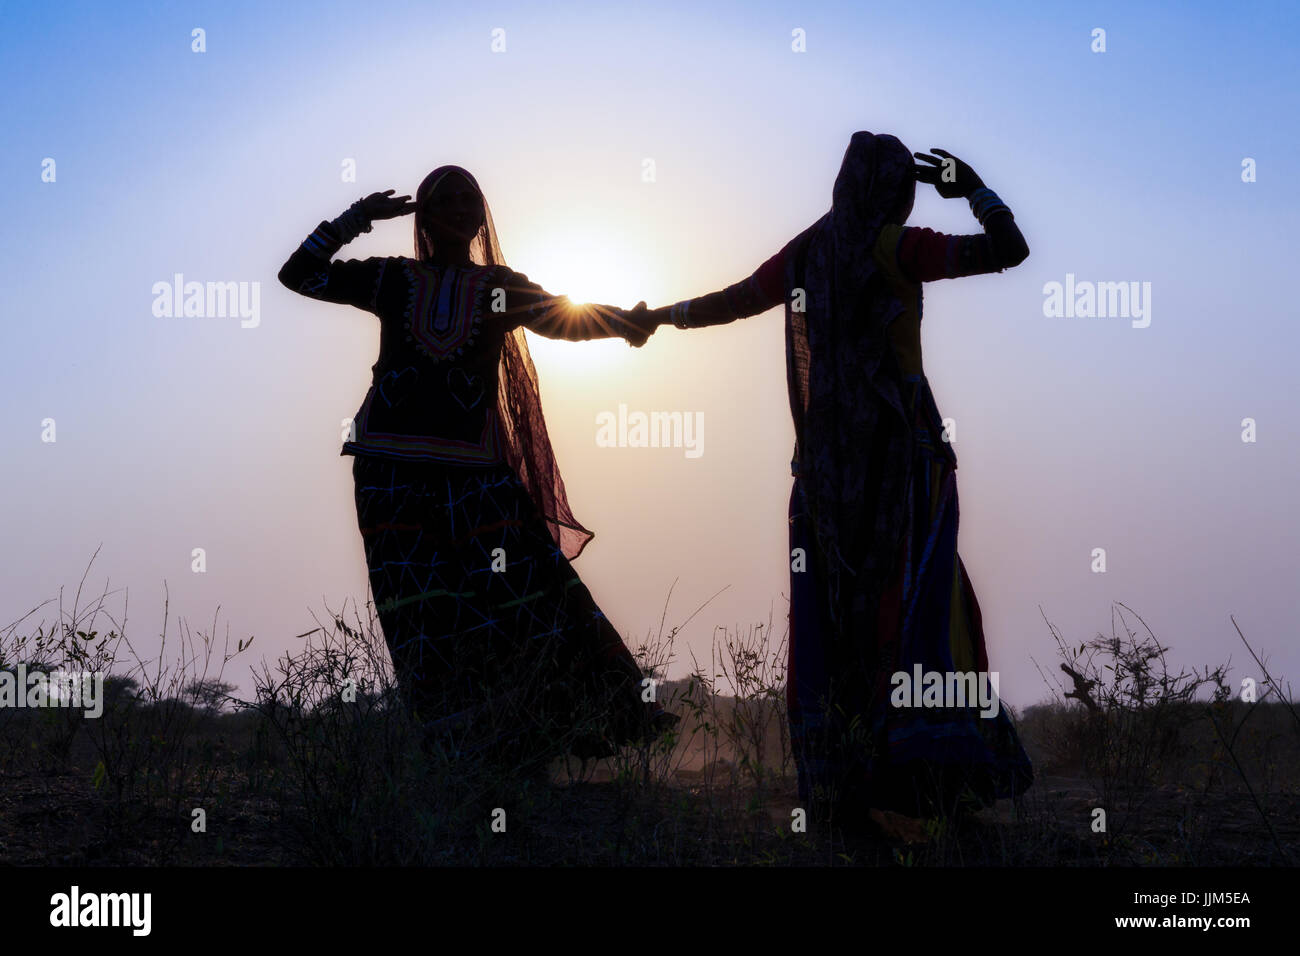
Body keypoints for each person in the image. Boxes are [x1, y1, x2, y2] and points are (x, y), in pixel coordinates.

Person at [631, 132, 1034, 820]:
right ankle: (921, 768)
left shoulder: (808, 254)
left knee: (837, 615)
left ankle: (850, 773)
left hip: (825, 471)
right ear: (895, 190)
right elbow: (1008, 249)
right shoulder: (898, 247)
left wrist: (655, 318)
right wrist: (971, 186)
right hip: (904, 458)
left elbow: (732, 300)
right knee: (915, 603)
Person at [278, 165, 675, 770]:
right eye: (447, 198)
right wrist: (355, 219)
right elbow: (297, 275)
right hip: (390, 469)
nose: (464, 207)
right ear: (425, 216)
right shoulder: (391, 278)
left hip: (475, 472)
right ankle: (458, 755)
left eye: (472, 198)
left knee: (529, 590)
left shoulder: (500, 288)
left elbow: (562, 317)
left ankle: (548, 735)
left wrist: (628, 322)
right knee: (420, 608)